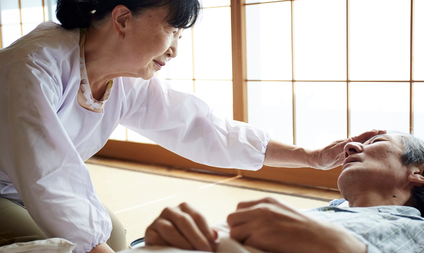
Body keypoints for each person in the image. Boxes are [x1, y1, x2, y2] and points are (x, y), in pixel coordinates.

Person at [0, 0, 383, 252]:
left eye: (181, 36)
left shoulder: (127, 79)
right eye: (172, 31)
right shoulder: (33, 66)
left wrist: (311, 157)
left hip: (24, 186)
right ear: (122, 19)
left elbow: (202, 128)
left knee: (110, 236)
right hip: (9, 186)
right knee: (70, 246)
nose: (176, 49)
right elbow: (48, 173)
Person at [145, 132, 424, 253]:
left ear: (423, 172)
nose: (351, 146)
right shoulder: (316, 215)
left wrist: (340, 247)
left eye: (377, 142)